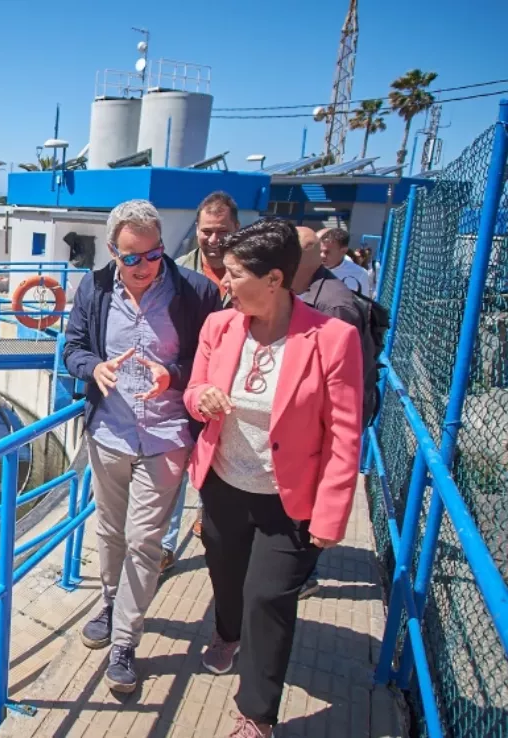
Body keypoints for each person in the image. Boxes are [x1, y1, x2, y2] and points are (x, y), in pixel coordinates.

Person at [185, 219, 363, 738]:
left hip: (289, 500)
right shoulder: (219, 326)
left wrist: (331, 515)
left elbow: (344, 435)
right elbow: (195, 388)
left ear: (274, 279)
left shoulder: (333, 339)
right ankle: (226, 631)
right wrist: (202, 399)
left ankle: (256, 714)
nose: (224, 281)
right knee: (225, 574)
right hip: (223, 486)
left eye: (236, 273)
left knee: (269, 597)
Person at [63, 199, 220, 693]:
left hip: (167, 436)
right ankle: (110, 602)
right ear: (113, 252)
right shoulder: (93, 287)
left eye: (152, 255)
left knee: (143, 540)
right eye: (131, 258)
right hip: (109, 432)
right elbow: (72, 349)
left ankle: (125, 642)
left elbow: (210, 363)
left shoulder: (196, 292)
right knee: (109, 533)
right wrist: (96, 368)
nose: (143, 267)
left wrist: (170, 374)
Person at [290, 226, 379, 598]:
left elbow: (341, 388)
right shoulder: (303, 292)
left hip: (322, 426)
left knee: (307, 504)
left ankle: (302, 575)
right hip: (303, 422)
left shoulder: (333, 306)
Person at [162, 191, 240, 563]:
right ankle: (165, 546)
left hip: (235, 393)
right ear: (197, 230)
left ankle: (208, 521)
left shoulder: (250, 272)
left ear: (236, 228)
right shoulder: (177, 273)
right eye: (207, 231)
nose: (214, 239)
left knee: (221, 469)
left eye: (222, 230)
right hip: (184, 386)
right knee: (174, 464)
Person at [318, 227, 372, 297]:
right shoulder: (310, 267)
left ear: (343, 251)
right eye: (320, 251)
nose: (322, 255)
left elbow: (362, 303)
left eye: (327, 252)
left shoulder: (360, 274)